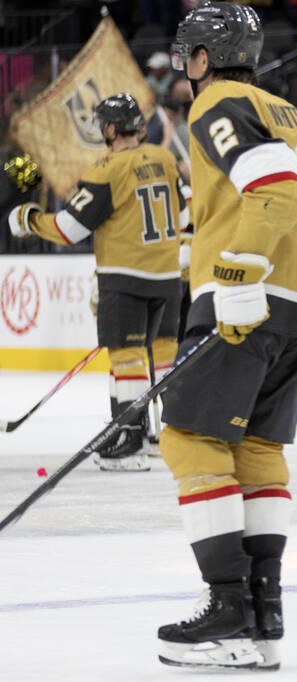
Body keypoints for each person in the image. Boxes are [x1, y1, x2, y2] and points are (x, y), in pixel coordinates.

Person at [155, 2, 297, 670]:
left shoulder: (216, 104)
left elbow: (270, 190)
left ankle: (230, 609)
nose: (184, 67)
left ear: (203, 57)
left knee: (188, 437)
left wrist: (237, 269)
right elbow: (259, 191)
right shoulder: (283, 108)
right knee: (257, 447)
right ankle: (264, 617)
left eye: (188, 55)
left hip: (252, 296)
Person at [7, 94, 186, 472]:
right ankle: (169, 437)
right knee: (165, 354)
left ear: (108, 129)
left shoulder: (105, 169)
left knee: (127, 358)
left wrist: (28, 219)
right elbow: (184, 213)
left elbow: (69, 230)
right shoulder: (165, 158)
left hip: (126, 278)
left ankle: (130, 440)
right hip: (170, 276)